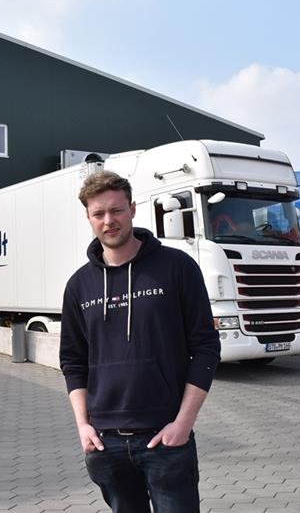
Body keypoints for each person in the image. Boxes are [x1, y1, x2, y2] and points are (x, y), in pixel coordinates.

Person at [60, 170, 221, 513]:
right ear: (88, 218)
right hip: (106, 444)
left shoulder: (177, 267)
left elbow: (206, 347)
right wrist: (84, 426)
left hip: (166, 438)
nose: (109, 221)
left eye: (116, 210)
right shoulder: (79, 286)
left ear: (132, 209)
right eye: (99, 214)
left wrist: (183, 424)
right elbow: (73, 362)